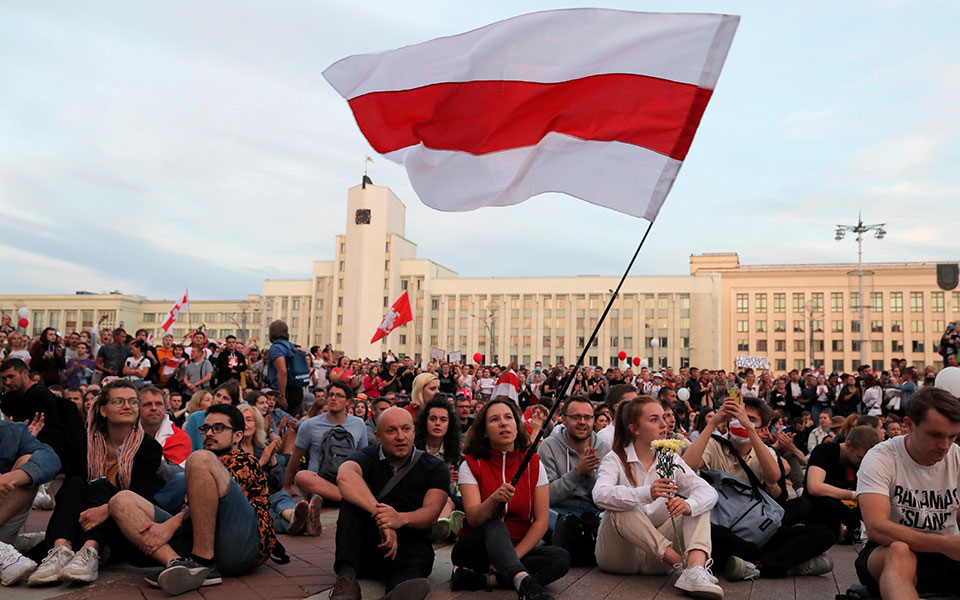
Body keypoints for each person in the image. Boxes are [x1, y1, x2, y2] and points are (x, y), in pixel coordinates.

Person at [107, 404, 278, 595]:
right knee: (121, 501)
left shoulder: (246, 461)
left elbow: (221, 507)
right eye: (205, 428)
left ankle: (202, 563)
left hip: (241, 545)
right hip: (198, 540)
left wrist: (170, 525)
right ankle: (176, 564)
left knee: (199, 458)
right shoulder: (201, 465)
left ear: (237, 436)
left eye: (218, 428)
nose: (209, 433)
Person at [682, 397, 835, 580]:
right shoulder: (714, 444)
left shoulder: (765, 451)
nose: (741, 421)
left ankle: (756, 565)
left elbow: (773, 477)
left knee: (823, 533)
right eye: (737, 416)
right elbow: (687, 466)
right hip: (725, 527)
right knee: (713, 533)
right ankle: (778, 563)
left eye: (750, 419)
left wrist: (750, 432)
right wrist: (714, 422)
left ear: (762, 428)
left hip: (759, 527)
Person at [28, 380, 163, 586]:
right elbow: (70, 493)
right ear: (103, 410)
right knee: (75, 483)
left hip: (124, 522)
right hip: (83, 516)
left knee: (99, 485)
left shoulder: (149, 447)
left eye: (133, 402)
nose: (127, 406)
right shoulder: (84, 443)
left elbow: (140, 494)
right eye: (118, 401)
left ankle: (90, 551)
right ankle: (60, 550)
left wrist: (107, 509)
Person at [592, 396, 722, 599]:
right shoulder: (616, 458)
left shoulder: (670, 458)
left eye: (664, 417)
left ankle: (695, 570)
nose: (664, 424)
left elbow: (708, 491)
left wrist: (688, 505)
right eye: (654, 419)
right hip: (619, 557)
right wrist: (646, 493)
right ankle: (682, 563)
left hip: (657, 563)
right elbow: (599, 495)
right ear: (635, 429)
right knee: (621, 506)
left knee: (698, 505)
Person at [450, 398, 570, 600]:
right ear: (485, 431)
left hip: (518, 548)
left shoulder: (533, 463)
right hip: (476, 550)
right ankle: (524, 584)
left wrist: (513, 558)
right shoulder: (470, 464)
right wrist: (493, 500)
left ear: (517, 425)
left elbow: (541, 521)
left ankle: (487, 580)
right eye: (495, 420)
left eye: (508, 418)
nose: (504, 423)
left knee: (560, 558)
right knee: (494, 524)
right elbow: (474, 519)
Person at [328, 407, 448, 600]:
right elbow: (345, 477)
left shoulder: (434, 467)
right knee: (351, 503)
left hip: (409, 545)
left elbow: (431, 512)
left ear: (414, 431)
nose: (400, 436)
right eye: (391, 431)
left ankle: (396, 593)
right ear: (378, 436)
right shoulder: (367, 457)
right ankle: (346, 582)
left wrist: (400, 519)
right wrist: (383, 518)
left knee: (413, 566)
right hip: (367, 546)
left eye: (406, 429)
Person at [853, 387, 960, 599]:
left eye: (953, 436)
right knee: (899, 550)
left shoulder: (957, 458)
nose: (945, 446)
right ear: (908, 425)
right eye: (935, 435)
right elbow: (876, 528)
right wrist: (944, 544)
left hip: (944, 554)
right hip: (886, 552)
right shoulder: (881, 458)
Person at [538, 396, 610, 565]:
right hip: (558, 511)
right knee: (541, 515)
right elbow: (546, 496)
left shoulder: (604, 449)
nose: (582, 422)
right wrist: (577, 472)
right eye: (576, 417)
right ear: (563, 419)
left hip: (593, 512)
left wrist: (591, 476)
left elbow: (605, 499)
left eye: (588, 417)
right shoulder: (548, 447)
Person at [285, 380, 368, 502]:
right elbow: (296, 457)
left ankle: (348, 497)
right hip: (319, 485)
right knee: (302, 476)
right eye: (331, 395)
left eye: (339, 396)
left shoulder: (359, 424)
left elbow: (363, 457)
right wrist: (287, 486)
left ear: (348, 402)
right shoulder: (309, 425)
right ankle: (351, 499)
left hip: (347, 481)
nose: (333, 398)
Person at [0, 421, 61, 587]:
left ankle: (6, 542)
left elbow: (50, 459)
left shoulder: (12, 432)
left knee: (28, 462)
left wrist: (9, 478)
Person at [799, 425, 880, 543]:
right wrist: (854, 495)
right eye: (860, 457)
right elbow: (814, 487)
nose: (862, 462)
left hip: (848, 510)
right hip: (821, 507)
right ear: (848, 445)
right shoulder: (824, 451)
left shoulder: (863, 462)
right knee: (823, 501)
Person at [0, 358, 83, 472]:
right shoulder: (13, 397)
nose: (8, 382)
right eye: (5, 379)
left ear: (24, 373)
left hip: (46, 453)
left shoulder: (39, 395)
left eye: (11, 376)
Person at [413, 397, 464, 538]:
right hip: (418, 498)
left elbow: (457, 491)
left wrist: (448, 482)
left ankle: (440, 526)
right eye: (433, 419)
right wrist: (438, 479)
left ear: (449, 424)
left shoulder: (456, 453)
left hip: (448, 498)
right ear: (425, 421)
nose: (437, 424)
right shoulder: (413, 449)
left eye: (443, 420)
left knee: (446, 498)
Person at [139, 387, 192, 468]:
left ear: (165, 408)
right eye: (147, 404)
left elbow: (179, 474)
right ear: (138, 408)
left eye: (159, 404)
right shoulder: (126, 434)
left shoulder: (180, 437)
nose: (154, 408)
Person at [267, 320, 305, 417]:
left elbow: (282, 371)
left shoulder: (276, 348)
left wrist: (281, 395)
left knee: (281, 420)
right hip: (296, 388)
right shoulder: (290, 346)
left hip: (284, 389)